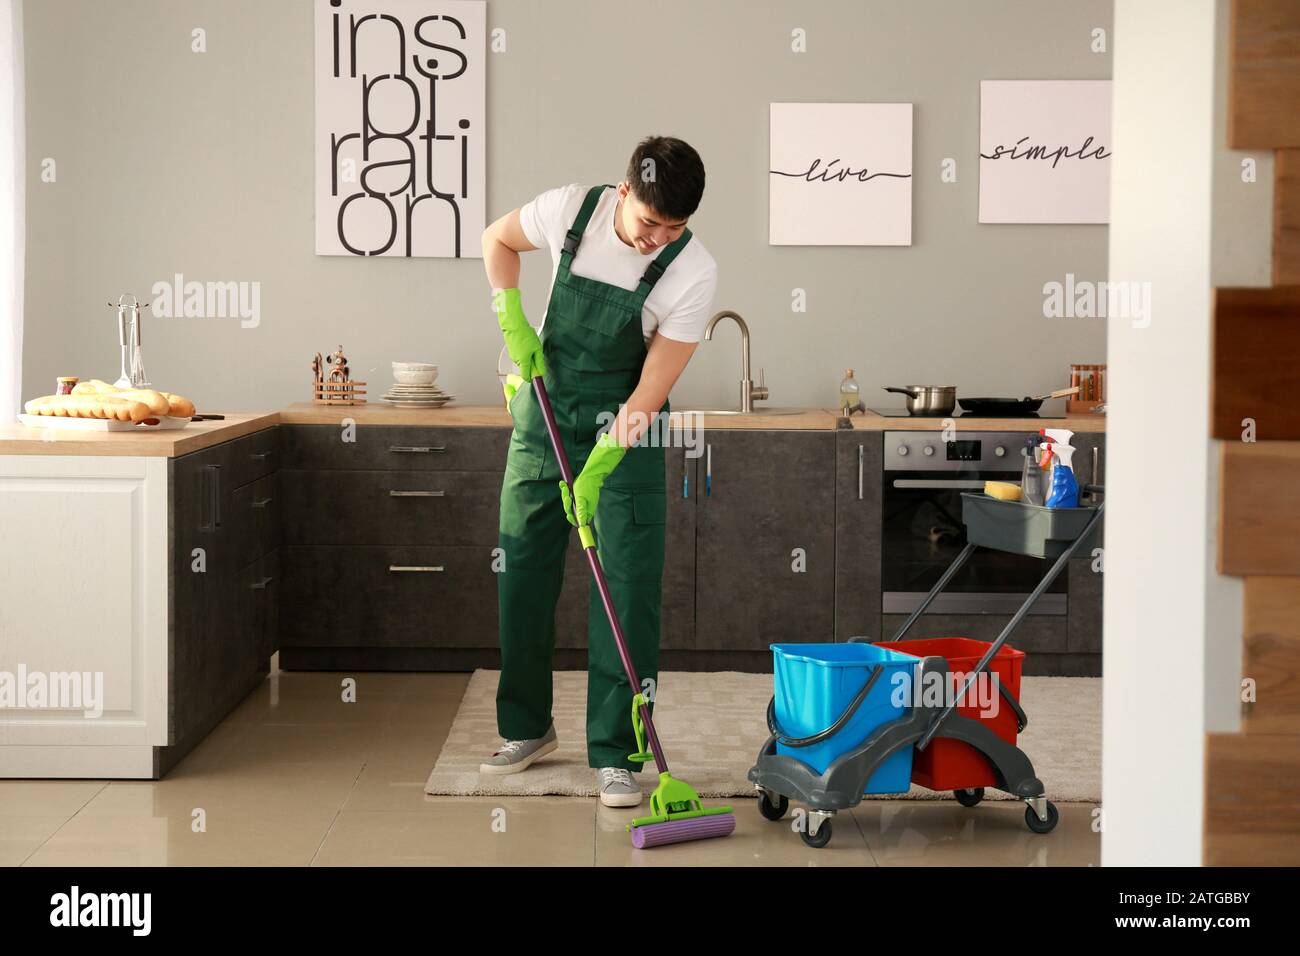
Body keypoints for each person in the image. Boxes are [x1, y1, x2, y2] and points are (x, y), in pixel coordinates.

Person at [478, 136, 717, 808]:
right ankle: (526, 727)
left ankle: (617, 752)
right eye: (648, 223)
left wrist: (603, 461)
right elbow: (496, 240)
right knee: (521, 571)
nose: (656, 240)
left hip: (628, 433)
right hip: (544, 416)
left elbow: (653, 386)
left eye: (673, 229)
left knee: (628, 588)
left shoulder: (692, 271)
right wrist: (510, 314)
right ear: (623, 193)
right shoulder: (570, 212)